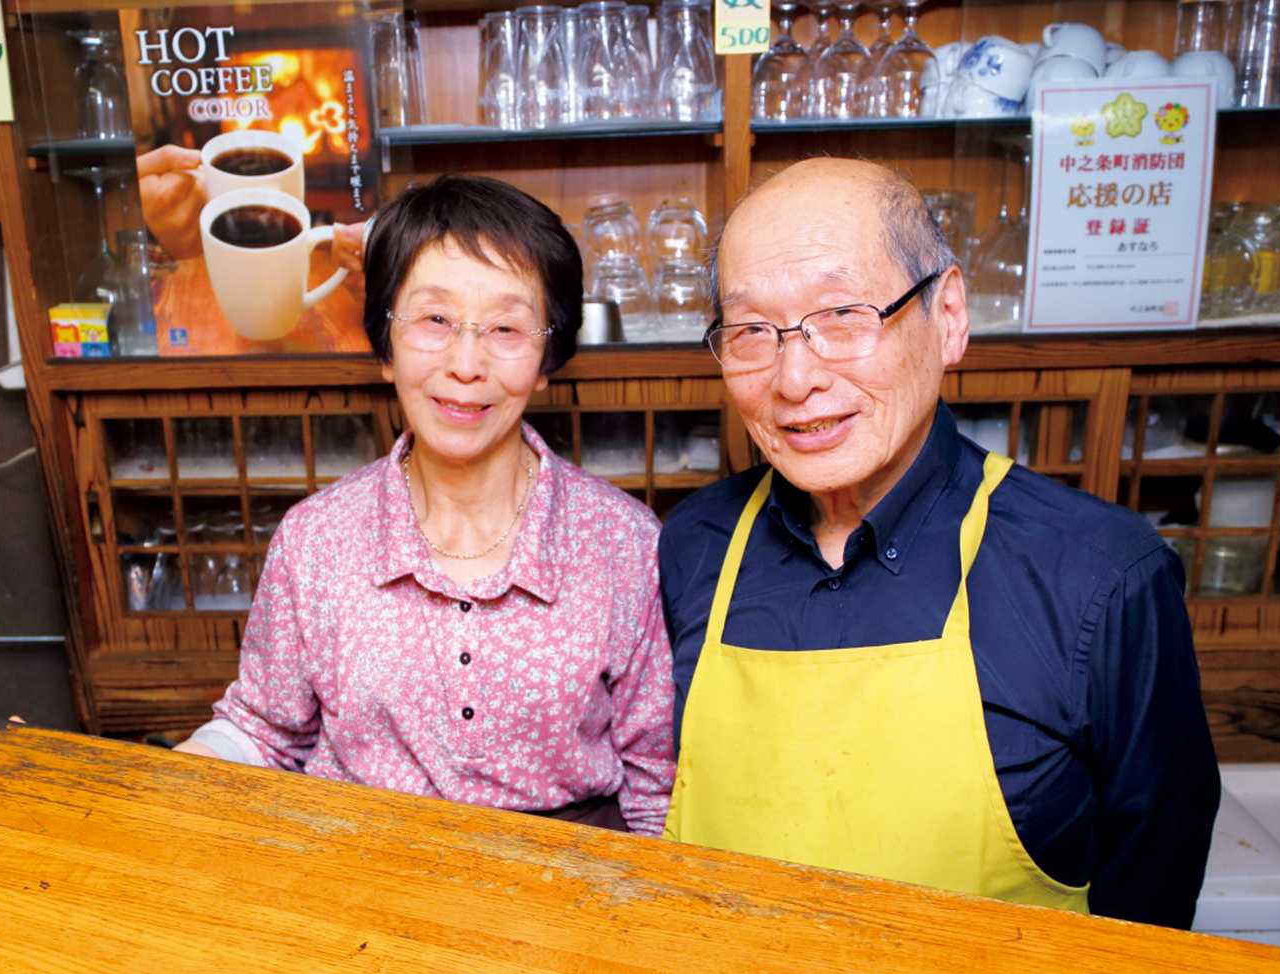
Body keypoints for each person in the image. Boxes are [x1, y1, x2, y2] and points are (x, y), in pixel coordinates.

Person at [658, 158, 1219, 925]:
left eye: (843, 315)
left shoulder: (1101, 574)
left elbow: (1152, 906)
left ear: (948, 314)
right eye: (752, 330)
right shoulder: (694, 543)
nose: (794, 379)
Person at [175, 175, 676, 836]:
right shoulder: (316, 539)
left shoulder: (625, 542)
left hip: (568, 886)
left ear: (547, 356)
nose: (466, 363)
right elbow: (266, 734)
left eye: (505, 327)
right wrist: (164, 781)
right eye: (435, 320)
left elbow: (656, 782)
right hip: (359, 873)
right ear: (385, 344)